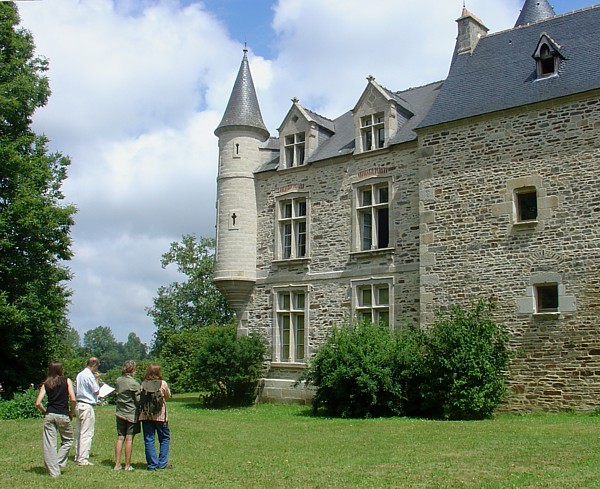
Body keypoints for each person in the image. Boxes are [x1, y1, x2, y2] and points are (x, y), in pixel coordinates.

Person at [35, 362, 77, 478]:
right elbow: (73, 399)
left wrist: (45, 412)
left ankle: (53, 470)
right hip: (63, 415)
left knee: (50, 444)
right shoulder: (66, 381)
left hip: (50, 415)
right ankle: (57, 463)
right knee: (68, 440)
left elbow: (38, 403)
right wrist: (71, 412)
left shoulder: (46, 383)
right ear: (60, 369)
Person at [139, 363, 173, 470]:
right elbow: (168, 395)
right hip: (160, 416)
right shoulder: (162, 383)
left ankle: (152, 464)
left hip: (146, 416)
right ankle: (162, 463)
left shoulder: (143, 384)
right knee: (164, 439)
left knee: (149, 440)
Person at [114, 360, 141, 471]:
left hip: (120, 412)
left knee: (120, 438)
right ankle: (127, 465)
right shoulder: (134, 383)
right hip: (131, 413)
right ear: (132, 369)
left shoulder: (118, 381)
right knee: (129, 439)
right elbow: (138, 400)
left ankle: (116, 465)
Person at [74, 357, 101, 466]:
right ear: (94, 365)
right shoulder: (89, 375)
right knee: (86, 433)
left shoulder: (80, 374)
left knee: (79, 432)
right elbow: (96, 390)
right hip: (87, 405)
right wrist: (97, 380)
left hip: (79, 403)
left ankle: (77, 455)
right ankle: (83, 458)